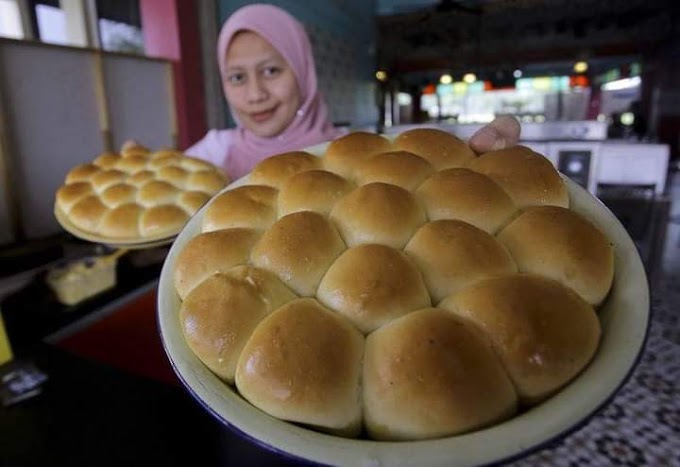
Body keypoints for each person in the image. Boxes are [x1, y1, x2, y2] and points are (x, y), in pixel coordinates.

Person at [184, 4, 521, 179]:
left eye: (271, 70)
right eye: (237, 77)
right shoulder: (214, 152)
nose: (255, 94)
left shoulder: (353, 152)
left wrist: (470, 163)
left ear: (303, 71)